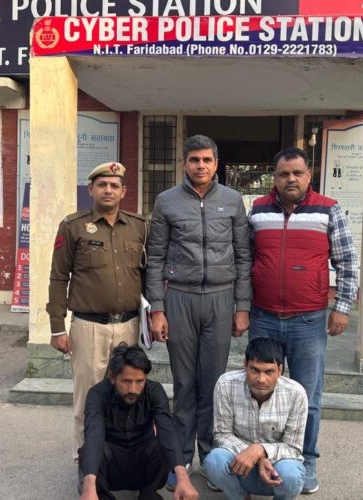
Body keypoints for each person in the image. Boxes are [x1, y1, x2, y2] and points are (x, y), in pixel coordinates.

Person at [248, 147, 359, 494]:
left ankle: (306, 458)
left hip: (308, 320)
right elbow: (245, 258)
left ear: (309, 175)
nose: (290, 179)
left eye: (297, 173)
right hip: (264, 316)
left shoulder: (327, 209)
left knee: (307, 396)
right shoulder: (258, 210)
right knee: (260, 391)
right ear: (275, 178)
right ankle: (262, 457)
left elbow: (347, 261)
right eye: (284, 174)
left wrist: (342, 307)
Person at [145, 134, 252, 486]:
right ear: (184, 164)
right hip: (180, 298)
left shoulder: (232, 200)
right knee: (184, 383)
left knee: (213, 383)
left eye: (207, 159)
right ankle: (180, 460)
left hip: (221, 298)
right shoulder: (167, 201)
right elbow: (155, 258)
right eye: (194, 160)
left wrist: (242, 307)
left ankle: (209, 458)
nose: (201, 166)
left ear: (216, 163)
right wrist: (157, 309)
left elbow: (243, 256)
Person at [47, 161, 148, 458]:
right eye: (102, 185)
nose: (108, 190)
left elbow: (148, 276)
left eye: (114, 185)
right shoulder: (73, 226)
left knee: (127, 396)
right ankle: (87, 462)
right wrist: (57, 326)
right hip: (89, 327)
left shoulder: (140, 227)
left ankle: (119, 458)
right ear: (90, 189)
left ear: (124, 191)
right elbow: (58, 277)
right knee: (89, 399)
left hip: (129, 325)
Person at [79, 343, 199, 500]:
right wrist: (88, 485)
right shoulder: (97, 394)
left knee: (163, 444)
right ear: (113, 377)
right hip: (111, 465)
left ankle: (149, 493)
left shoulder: (154, 391)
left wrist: (183, 478)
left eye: (140, 381)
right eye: (126, 381)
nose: (133, 389)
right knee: (88, 449)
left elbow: (167, 429)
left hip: (143, 463)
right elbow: (94, 434)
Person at [203, 337, 308, 500]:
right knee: (214, 461)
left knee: (292, 475)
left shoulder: (296, 394)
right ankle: (240, 497)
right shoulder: (226, 384)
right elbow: (222, 435)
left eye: (269, 371)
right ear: (245, 365)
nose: (261, 379)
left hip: (276, 470)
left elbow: (293, 447)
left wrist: (261, 451)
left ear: (280, 370)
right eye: (254, 370)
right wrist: (256, 457)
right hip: (240, 467)